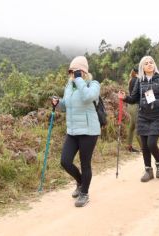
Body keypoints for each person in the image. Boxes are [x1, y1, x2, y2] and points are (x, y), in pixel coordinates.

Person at [52, 56, 100, 207]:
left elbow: (88, 96)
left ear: (83, 71)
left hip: (89, 131)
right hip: (72, 131)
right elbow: (66, 106)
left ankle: (84, 193)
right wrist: (58, 103)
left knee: (85, 163)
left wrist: (79, 80)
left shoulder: (93, 84)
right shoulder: (68, 86)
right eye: (71, 71)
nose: (72, 73)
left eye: (76, 71)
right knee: (65, 161)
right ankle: (80, 182)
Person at [118, 56, 159, 182]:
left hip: (156, 116)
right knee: (144, 146)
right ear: (142, 67)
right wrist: (124, 97)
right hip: (143, 116)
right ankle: (148, 170)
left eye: (151, 62)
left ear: (154, 65)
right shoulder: (140, 80)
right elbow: (133, 98)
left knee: (151, 143)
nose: (149, 64)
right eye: (146, 63)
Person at [126, 66, 142, 153]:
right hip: (135, 106)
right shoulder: (137, 80)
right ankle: (144, 148)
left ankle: (129, 145)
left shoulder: (131, 79)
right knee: (138, 127)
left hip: (130, 106)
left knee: (132, 127)